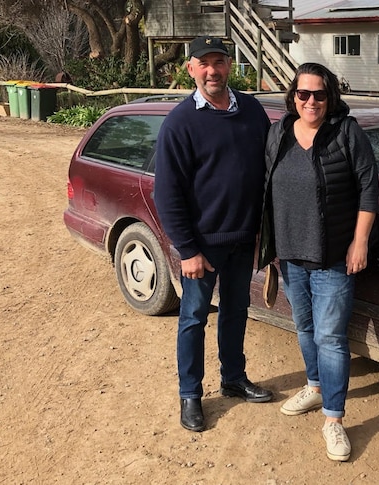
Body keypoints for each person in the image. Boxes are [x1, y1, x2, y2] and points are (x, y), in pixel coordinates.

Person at [154, 35, 273, 433]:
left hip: (242, 240)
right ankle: (190, 394)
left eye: (219, 62)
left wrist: (263, 231)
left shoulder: (253, 111)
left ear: (229, 66)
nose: (212, 71)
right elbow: (167, 194)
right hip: (201, 247)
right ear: (190, 69)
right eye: (203, 63)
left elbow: (267, 173)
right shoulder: (180, 123)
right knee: (193, 319)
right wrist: (187, 250)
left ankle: (234, 378)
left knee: (237, 312)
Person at [260, 62, 379, 461]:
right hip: (290, 255)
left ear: (331, 97)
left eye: (320, 94)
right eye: (303, 94)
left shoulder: (347, 132)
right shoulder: (278, 133)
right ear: (293, 96)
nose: (311, 101)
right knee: (305, 328)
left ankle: (334, 419)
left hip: (332, 258)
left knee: (330, 337)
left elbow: (368, 189)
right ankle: (314, 386)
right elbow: (265, 187)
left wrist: (359, 242)